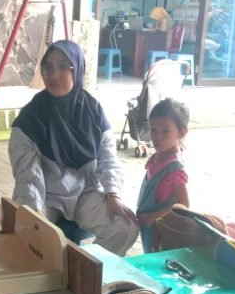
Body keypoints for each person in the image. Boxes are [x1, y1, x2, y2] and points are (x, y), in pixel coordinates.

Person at [8, 40, 139, 256]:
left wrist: (112, 194)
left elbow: (108, 160)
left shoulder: (94, 112)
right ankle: (56, 271)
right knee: (27, 232)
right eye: (48, 67)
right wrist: (34, 213)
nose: (54, 75)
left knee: (126, 226)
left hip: (83, 193)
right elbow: (28, 178)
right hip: (45, 196)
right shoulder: (30, 120)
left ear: (77, 69)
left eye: (63, 66)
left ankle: (90, 267)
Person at [136, 98, 190, 252]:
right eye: (153, 129)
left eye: (165, 131)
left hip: (160, 231)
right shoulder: (158, 156)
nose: (157, 136)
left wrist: (152, 217)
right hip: (147, 226)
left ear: (182, 132)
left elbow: (184, 204)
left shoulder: (175, 167)